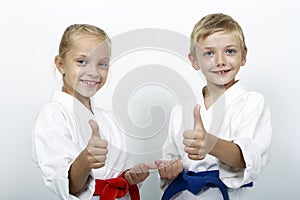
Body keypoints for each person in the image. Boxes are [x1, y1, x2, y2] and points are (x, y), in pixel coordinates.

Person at [155, 13, 272, 199]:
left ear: (244, 56)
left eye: (230, 51)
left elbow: (247, 158)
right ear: (194, 60)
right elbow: (171, 158)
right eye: (209, 53)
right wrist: (170, 168)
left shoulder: (251, 102)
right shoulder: (181, 110)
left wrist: (211, 143)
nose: (220, 61)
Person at [32, 24, 155, 200]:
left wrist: (131, 175)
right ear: (61, 65)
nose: (93, 72)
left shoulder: (110, 119)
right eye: (81, 61)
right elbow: (68, 187)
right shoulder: (53, 115)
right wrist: (85, 160)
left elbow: (119, 174)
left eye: (102, 64)